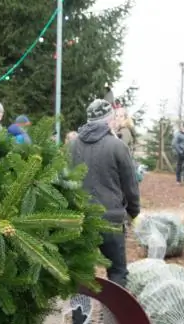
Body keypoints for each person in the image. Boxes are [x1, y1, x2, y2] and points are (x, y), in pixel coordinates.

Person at [69, 99, 140, 287]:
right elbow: (130, 185)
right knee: (117, 271)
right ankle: (112, 316)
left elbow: (64, 182)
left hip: (81, 219)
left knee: (81, 272)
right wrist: (133, 211)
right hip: (111, 219)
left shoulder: (72, 146)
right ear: (109, 121)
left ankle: (80, 316)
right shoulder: (117, 146)